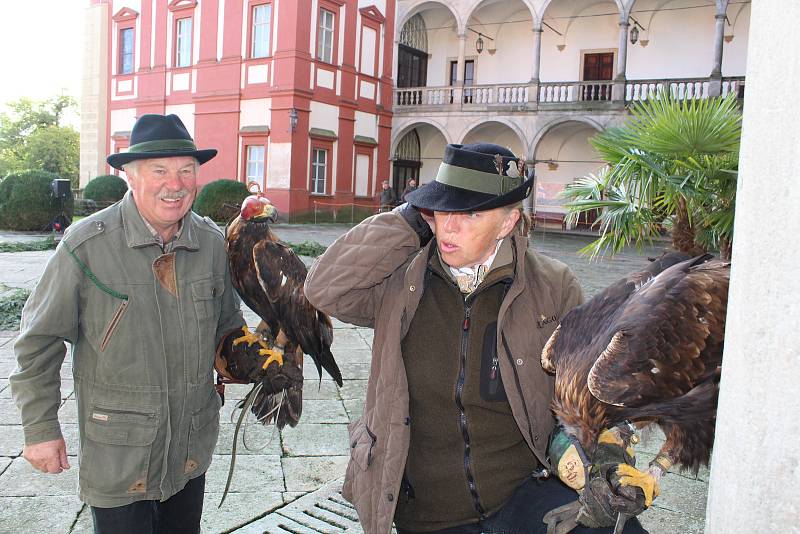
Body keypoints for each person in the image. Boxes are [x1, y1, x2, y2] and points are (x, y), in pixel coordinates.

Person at [304, 143, 647, 534]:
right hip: (432, 513)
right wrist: (411, 221)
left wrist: (606, 459)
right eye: (442, 208)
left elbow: (590, 392)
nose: (449, 226)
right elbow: (323, 288)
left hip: (526, 491)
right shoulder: (399, 283)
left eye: (469, 213)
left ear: (507, 223)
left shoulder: (552, 287)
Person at [10, 114, 250, 534]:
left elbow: (227, 325)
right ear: (129, 177)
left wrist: (260, 357)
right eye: (159, 171)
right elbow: (38, 343)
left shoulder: (211, 244)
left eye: (186, 170)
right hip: (120, 454)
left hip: (189, 448)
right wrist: (41, 429)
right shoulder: (87, 246)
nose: (174, 184)